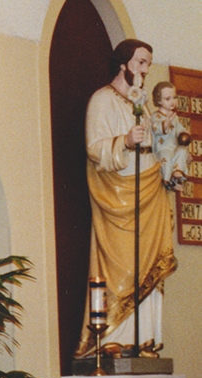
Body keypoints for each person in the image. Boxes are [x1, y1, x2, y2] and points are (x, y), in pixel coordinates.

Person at [75, 39, 177, 359]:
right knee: (123, 268)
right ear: (124, 64)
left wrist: (169, 171)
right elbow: (94, 147)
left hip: (149, 192)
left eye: (148, 63)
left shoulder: (143, 105)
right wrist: (124, 141)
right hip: (119, 197)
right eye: (141, 62)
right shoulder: (102, 100)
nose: (146, 70)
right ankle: (111, 339)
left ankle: (142, 339)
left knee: (147, 265)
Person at [151, 81, 189, 190]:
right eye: (168, 99)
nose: (172, 101)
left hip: (174, 147)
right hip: (162, 148)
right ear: (159, 100)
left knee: (182, 151)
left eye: (174, 97)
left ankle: (177, 174)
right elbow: (156, 128)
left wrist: (184, 132)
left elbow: (179, 130)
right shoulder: (156, 116)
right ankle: (168, 181)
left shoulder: (175, 117)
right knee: (166, 157)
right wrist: (167, 122)